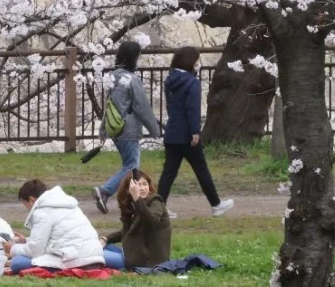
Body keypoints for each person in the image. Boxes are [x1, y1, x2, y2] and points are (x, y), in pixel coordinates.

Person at [157, 46, 234, 217]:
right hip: (186, 135)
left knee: (168, 172)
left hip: (173, 132)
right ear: (191, 62)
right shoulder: (192, 83)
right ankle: (216, 204)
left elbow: (172, 107)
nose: (198, 64)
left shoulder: (170, 80)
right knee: (201, 169)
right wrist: (195, 131)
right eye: (197, 60)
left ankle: (158, 207)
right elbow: (192, 109)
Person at [94, 41, 161, 215]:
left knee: (130, 166)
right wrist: (154, 129)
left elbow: (110, 106)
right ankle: (105, 191)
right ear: (134, 58)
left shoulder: (112, 77)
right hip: (129, 128)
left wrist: (103, 130)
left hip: (115, 127)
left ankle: (129, 200)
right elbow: (142, 106)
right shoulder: (132, 79)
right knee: (131, 167)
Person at [5, 179, 105, 274]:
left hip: (75, 260)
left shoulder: (41, 212)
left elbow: (35, 251)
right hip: (94, 255)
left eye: (25, 204)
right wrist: (26, 240)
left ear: (31, 200)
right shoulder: (67, 204)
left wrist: (13, 248)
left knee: (17, 262)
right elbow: (60, 236)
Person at [99, 169, 171, 269]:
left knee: (94, 255)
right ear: (128, 189)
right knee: (96, 247)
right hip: (130, 254)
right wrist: (106, 239)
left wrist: (137, 198)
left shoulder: (156, 202)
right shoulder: (134, 204)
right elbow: (128, 231)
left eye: (145, 184)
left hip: (147, 262)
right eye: (138, 185)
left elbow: (151, 221)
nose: (142, 188)